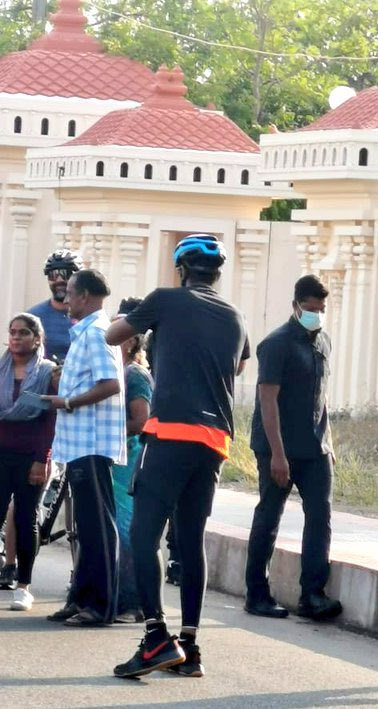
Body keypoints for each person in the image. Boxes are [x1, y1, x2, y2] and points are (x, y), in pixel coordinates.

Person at [107, 234, 249, 679]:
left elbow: (115, 335)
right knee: (190, 541)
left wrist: (133, 317)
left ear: (182, 270)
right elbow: (239, 365)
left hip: (169, 434)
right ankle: (190, 646)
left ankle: (154, 639)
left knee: (145, 535)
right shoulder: (235, 316)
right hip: (214, 442)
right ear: (217, 274)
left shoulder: (165, 299)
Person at [244, 275, 342, 622]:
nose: (316, 315)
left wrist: (327, 443)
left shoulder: (323, 342)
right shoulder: (277, 344)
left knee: (320, 518)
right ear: (295, 306)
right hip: (278, 449)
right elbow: (267, 400)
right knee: (269, 517)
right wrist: (278, 455)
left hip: (315, 448)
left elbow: (321, 397)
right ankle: (257, 594)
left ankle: (313, 595)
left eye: (321, 309)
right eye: (310, 309)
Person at [0, 248, 83, 590]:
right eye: (53, 273)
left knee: (77, 497)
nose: (59, 280)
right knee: (25, 494)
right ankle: (10, 564)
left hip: (74, 410)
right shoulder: (35, 317)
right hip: (38, 415)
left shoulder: (86, 317)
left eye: (66, 273)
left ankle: (81, 570)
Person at [43, 269, 125, 627]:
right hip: (77, 444)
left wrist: (68, 402)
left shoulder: (96, 333)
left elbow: (111, 384)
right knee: (83, 529)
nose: (66, 300)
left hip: (91, 444)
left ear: (87, 297)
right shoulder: (84, 333)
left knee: (97, 528)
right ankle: (80, 598)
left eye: (72, 293)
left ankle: (102, 605)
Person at [0, 313, 56, 612]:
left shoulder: (47, 373)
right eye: (13, 332)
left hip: (31, 458)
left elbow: (48, 421)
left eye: (24, 333)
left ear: (37, 339)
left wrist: (41, 460)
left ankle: (23, 586)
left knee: (26, 519)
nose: (16, 338)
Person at [111, 299, 153, 624]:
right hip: (112, 456)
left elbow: (142, 421)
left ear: (132, 340)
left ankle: (132, 602)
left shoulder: (135, 374)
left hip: (128, 457)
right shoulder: (111, 371)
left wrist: (109, 430)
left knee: (125, 531)